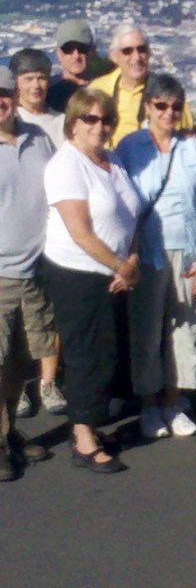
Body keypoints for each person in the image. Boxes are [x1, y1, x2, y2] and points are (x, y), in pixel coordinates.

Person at [117, 74, 196, 439]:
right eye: (161, 105)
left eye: (176, 106)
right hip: (146, 252)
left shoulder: (193, 148)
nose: (169, 112)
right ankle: (149, 404)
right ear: (147, 107)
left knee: (184, 328)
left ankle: (174, 401)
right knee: (146, 331)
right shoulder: (130, 147)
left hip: (187, 248)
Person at [42, 88, 141, 474]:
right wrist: (122, 264)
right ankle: (82, 438)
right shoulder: (66, 165)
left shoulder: (110, 159)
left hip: (113, 273)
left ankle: (94, 427)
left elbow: (131, 213)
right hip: (78, 275)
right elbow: (80, 232)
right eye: (91, 119)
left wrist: (129, 261)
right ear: (74, 123)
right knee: (84, 357)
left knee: (105, 355)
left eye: (106, 120)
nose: (100, 127)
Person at [8, 50, 68, 418]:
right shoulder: (11, 122)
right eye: (28, 77)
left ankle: (47, 382)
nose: (36, 84)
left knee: (48, 316)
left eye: (41, 76)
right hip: (15, 241)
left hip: (52, 237)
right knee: (15, 323)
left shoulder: (59, 125)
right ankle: (21, 388)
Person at [0, 67, 53, 480]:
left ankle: (9, 432)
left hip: (35, 273)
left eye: (4, 93)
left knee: (20, 362)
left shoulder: (39, 140)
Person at [89, 23, 193, 149]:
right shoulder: (98, 90)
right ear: (114, 56)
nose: (136, 57)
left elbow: (184, 141)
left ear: (149, 53)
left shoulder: (169, 96)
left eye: (142, 50)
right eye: (127, 51)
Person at [11, 48, 66, 148]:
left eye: (41, 78)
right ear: (16, 82)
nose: (36, 85)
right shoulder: (10, 120)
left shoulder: (62, 121)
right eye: (29, 79)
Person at [46, 19, 98, 113]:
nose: (76, 56)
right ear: (58, 53)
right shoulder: (48, 92)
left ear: (93, 51)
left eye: (82, 49)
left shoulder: (106, 87)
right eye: (68, 49)